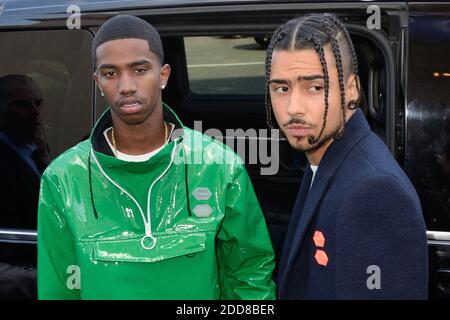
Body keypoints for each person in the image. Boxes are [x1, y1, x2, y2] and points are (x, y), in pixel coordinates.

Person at [37, 15, 276, 300]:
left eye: (139, 70)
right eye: (111, 73)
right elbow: (58, 288)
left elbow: (250, 275)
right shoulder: (64, 177)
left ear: (162, 75)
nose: (126, 86)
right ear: (97, 81)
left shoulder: (217, 165)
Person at [265, 14, 428, 299]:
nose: (293, 108)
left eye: (314, 87)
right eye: (282, 88)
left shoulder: (374, 191)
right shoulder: (326, 157)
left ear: (351, 89)